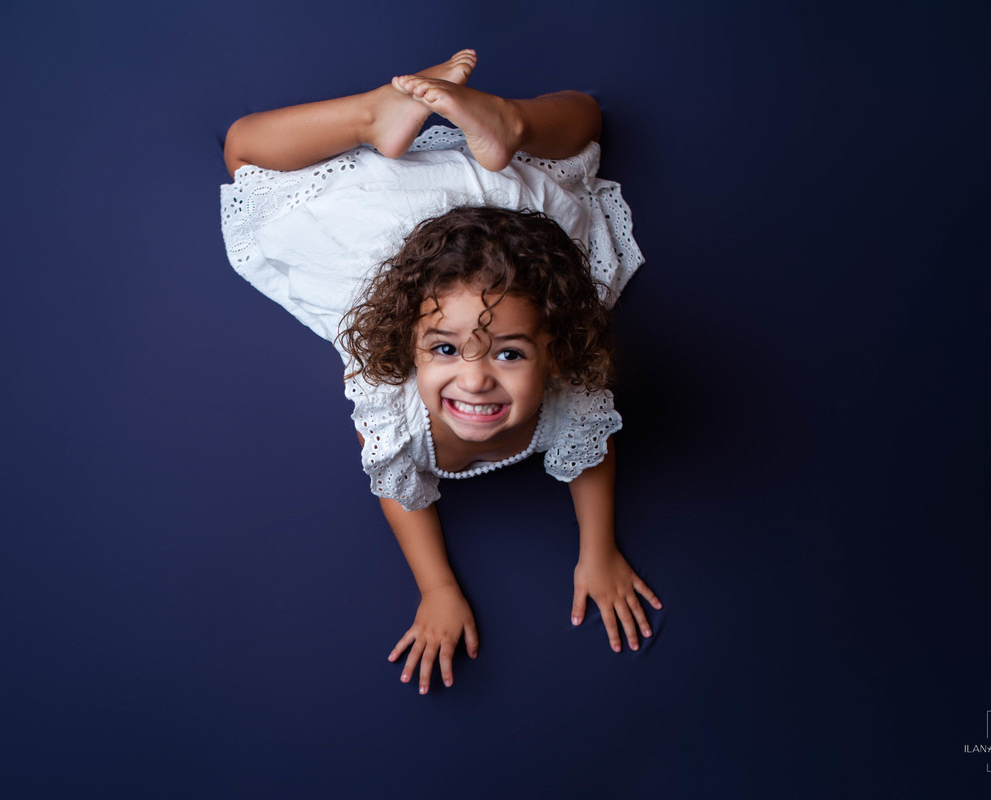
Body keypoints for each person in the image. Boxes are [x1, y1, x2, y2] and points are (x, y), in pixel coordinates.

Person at [220, 49, 661, 695]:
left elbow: (591, 450)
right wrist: (438, 588)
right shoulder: (391, 405)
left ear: (555, 352)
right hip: (421, 226)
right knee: (243, 151)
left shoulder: (569, 381)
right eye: (446, 351)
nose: (476, 380)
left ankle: (502, 123)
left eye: (510, 354)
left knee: (581, 123)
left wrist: (598, 552)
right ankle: (384, 114)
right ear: (408, 341)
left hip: (507, 244)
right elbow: (402, 488)